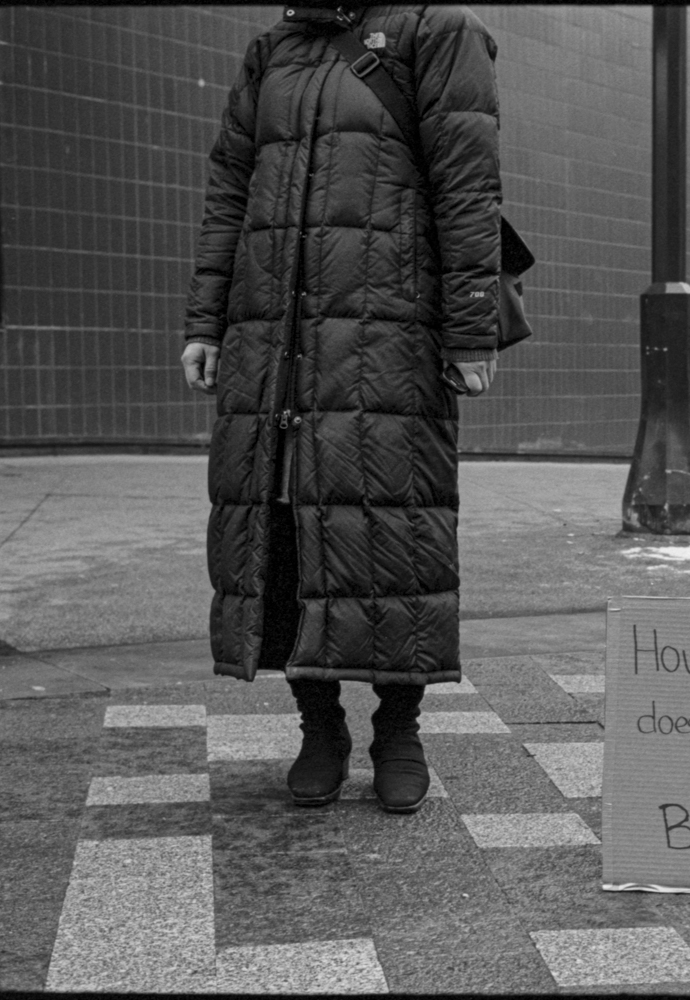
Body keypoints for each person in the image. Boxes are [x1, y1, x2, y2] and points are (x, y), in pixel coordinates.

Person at [178, 2, 503, 812]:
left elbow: (468, 184)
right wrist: (207, 320)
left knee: (396, 524)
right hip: (273, 334)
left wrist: (471, 330)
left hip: (387, 330)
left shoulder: (438, 31)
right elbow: (230, 190)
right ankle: (317, 725)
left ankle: (400, 727)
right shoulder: (274, 49)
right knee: (283, 526)